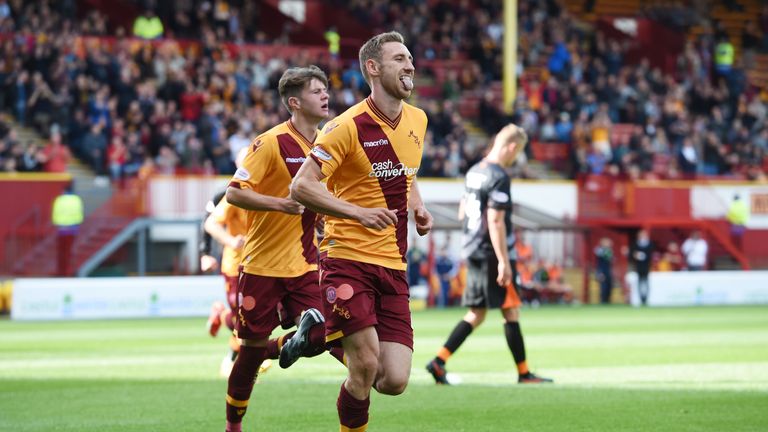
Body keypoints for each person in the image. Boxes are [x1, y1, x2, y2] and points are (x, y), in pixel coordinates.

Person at [290, 31, 433, 432]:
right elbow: (301, 186)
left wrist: (417, 206)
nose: (410, 66)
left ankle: (317, 330)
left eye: (410, 58)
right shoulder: (344, 126)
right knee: (365, 365)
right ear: (373, 68)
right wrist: (357, 213)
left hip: (393, 261)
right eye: (399, 59)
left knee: (394, 380)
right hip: (346, 256)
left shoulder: (418, 120)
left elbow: (407, 172)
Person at [222, 65, 340, 432]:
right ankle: (233, 425)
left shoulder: (328, 146)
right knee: (250, 351)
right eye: (316, 91)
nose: (325, 96)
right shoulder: (270, 142)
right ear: (294, 102)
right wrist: (281, 204)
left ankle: (281, 347)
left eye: (325, 89)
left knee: (325, 332)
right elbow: (233, 192)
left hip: (305, 265)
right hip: (260, 266)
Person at [424, 124, 552, 386]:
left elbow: (462, 211)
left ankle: (439, 361)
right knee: (511, 310)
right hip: (490, 251)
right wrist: (504, 261)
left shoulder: (474, 171)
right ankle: (524, 373)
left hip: (471, 247)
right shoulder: (498, 175)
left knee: (477, 313)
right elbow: (495, 221)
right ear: (512, 147)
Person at [51, 182, 84, 276]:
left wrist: (56, 223)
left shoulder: (59, 199)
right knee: (70, 251)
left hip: (61, 228)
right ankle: (69, 272)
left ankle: (61, 272)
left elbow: (55, 213)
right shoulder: (76, 199)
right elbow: (80, 213)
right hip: (73, 228)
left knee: (62, 252)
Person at [629, 229, 653, 306]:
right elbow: (631, 255)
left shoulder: (649, 244)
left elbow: (651, 255)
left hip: (647, 267)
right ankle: (641, 299)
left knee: (646, 283)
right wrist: (635, 256)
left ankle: (646, 299)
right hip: (638, 267)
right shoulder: (635, 244)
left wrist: (644, 256)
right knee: (639, 283)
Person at [594, 237, 614, 304]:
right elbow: (604, 257)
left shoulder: (609, 250)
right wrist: (600, 272)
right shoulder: (599, 250)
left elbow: (610, 258)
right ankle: (603, 301)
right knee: (603, 286)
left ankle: (608, 301)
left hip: (608, 270)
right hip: (602, 270)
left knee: (609, 286)